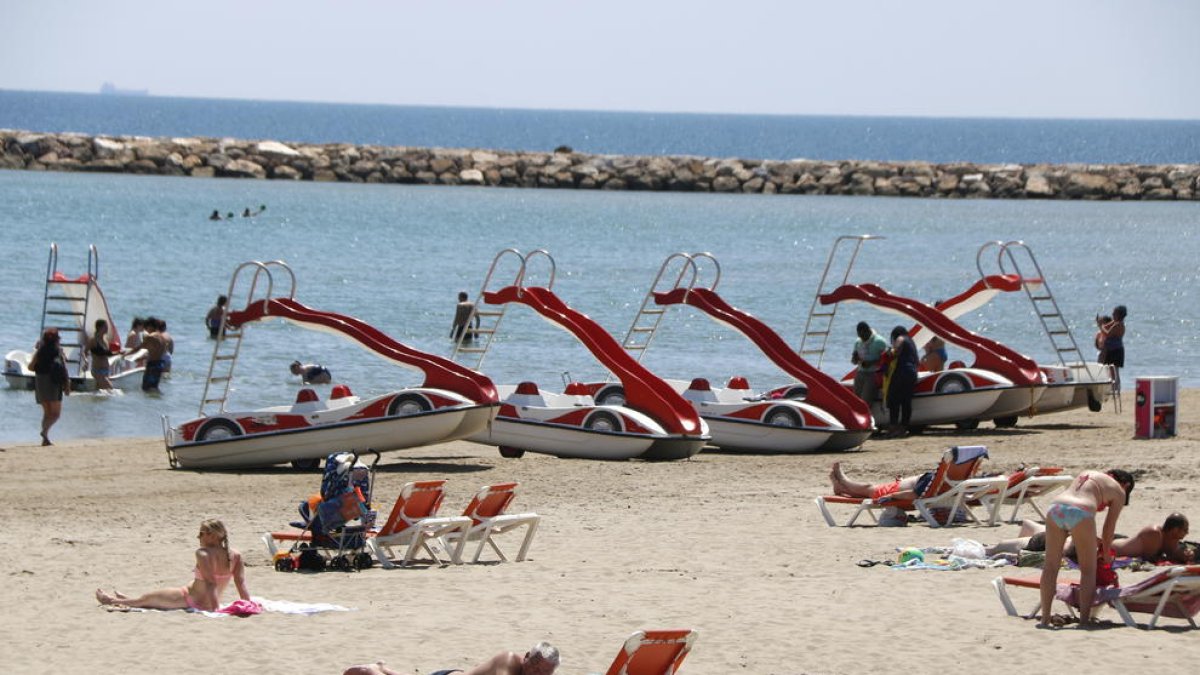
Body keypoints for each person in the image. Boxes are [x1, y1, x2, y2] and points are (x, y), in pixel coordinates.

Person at [1039, 469, 1134, 627]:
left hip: (1055, 508)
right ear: (1126, 485)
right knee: (1088, 570)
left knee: (1050, 567)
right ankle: (1083, 621)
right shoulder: (1119, 491)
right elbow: (1108, 529)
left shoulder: (1088, 473)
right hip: (1081, 512)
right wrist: (1106, 553)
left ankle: (1045, 619)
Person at [95, 519, 251, 612]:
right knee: (146, 600)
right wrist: (248, 604)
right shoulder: (236, 555)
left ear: (212, 535)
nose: (198, 537)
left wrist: (216, 611)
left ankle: (112, 601)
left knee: (145, 599)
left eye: (201, 533)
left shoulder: (203, 553)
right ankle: (130, 599)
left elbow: (210, 583)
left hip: (187, 598)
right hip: (205, 600)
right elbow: (241, 584)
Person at [992, 513, 1193, 564]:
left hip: (1089, 543)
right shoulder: (1155, 534)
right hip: (1080, 546)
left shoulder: (1164, 538)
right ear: (1174, 530)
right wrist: (1180, 554)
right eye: (1184, 530)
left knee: (1046, 536)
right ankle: (990, 548)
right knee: (1044, 542)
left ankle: (1030, 526)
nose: (1186, 535)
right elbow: (1154, 556)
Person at [344, 642, 560, 675]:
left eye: (544, 673)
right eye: (536, 667)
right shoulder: (510, 660)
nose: (537, 674)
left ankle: (383, 668)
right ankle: (374, 669)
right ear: (527, 656)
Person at [29, 328, 70, 446]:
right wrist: (67, 385)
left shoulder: (40, 351)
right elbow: (64, 369)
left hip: (40, 381)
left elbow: (30, 367)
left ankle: (45, 439)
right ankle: (44, 432)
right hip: (53, 382)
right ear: (57, 339)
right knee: (56, 414)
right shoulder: (58, 351)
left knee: (47, 413)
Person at [828, 461, 935, 502]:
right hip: (898, 488)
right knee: (867, 492)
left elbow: (913, 494)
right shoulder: (943, 480)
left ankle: (843, 480)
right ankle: (841, 488)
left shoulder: (933, 478)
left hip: (895, 492)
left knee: (868, 488)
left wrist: (892, 496)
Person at [884, 326, 919, 438]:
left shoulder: (900, 338)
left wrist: (889, 351)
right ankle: (903, 428)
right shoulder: (911, 341)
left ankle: (893, 427)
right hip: (912, 372)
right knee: (906, 401)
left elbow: (895, 350)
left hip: (902, 372)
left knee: (893, 399)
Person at [850, 321, 888, 406]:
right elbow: (853, 361)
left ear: (868, 331)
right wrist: (855, 358)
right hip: (860, 373)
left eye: (863, 336)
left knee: (865, 401)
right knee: (856, 400)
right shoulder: (858, 342)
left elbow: (887, 359)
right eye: (860, 336)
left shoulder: (879, 342)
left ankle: (866, 416)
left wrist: (872, 363)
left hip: (873, 374)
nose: (862, 338)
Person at [87, 318, 121, 391]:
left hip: (105, 370)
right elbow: (85, 351)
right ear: (99, 328)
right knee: (111, 390)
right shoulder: (93, 340)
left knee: (99, 392)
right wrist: (85, 361)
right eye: (105, 327)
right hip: (97, 370)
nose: (107, 329)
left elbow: (107, 354)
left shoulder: (105, 340)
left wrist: (118, 353)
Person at [1099, 305, 1126, 392]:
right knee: (1111, 369)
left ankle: (1116, 387)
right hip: (1112, 349)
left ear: (1118, 315)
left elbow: (1107, 334)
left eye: (1114, 313)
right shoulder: (1115, 322)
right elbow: (1106, 326)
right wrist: (1101, 324)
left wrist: (1101, 327)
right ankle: (1114, 386)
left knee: (1114, 370)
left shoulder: (1118, 325)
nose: (1112, 315)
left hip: (1115, 350)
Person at [139, 318, 167, 392]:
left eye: (146, 328)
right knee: (154, 387)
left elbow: (139, 348)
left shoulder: (151, 336)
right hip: (160, 364)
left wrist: (127, 354)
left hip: (152, 364)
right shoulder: (162, 337)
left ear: (150, 326)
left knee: (146, 388)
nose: (146, 330)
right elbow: (161, 351)